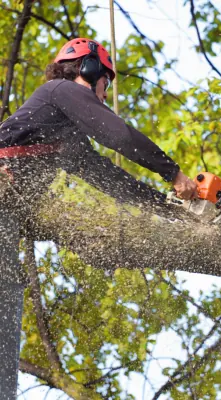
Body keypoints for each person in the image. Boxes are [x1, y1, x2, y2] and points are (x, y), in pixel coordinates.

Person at [0, 37, 197, 399]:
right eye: (106, 82)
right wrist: (174, 173)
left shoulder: (65, 134)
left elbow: (111, 180)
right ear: (89, 70)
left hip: (8, 214)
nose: (104, 94)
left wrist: (170, 210)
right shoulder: (59, 90)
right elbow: (117, 133)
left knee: (7, 289)